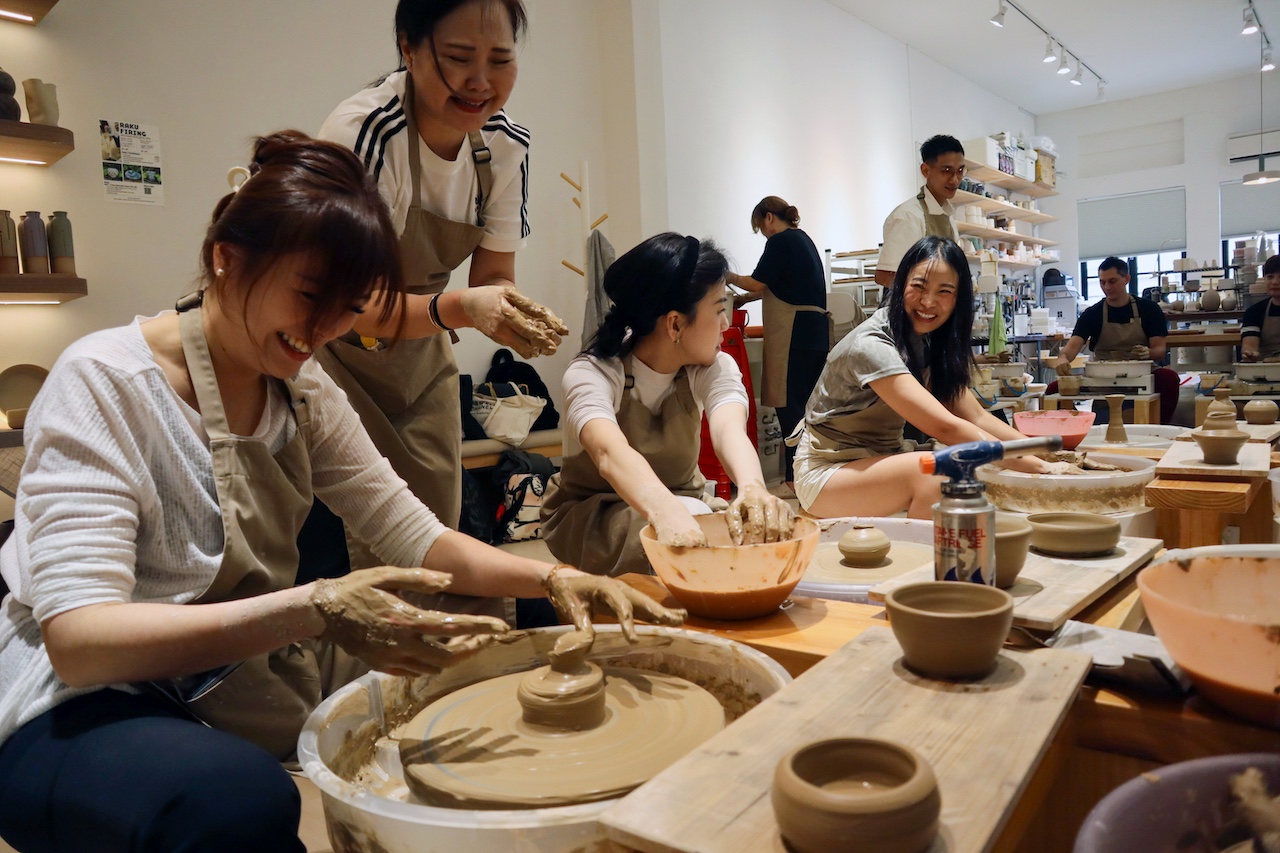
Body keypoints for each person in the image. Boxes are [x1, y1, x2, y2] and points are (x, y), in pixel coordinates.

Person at [0, 132, 681, 853]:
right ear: (224, 256)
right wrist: (314, 606)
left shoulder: (301, 384)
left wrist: (559, 574)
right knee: (237, 805)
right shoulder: (104, 383)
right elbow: (80, 643)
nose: (323, 330)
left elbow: (418, 537)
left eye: (350, 307)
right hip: (83, 700)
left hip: (234, 669)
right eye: (309, 295)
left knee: (530, 609)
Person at [313, 0, 566, 573]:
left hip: (420, 350)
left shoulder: (504, 146)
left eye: (500, 59)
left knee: (433, 531)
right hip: (334, 351)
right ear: (408, 47)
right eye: (458, 58)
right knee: (359, 546)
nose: (481, 82)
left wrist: (506, 309)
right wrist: (465, 307)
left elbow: (493, 277)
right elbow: (353, 304)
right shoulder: (365, 132)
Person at [541, 233, 796, 577]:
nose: (725, 324)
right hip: (595, 514)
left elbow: (728, 429)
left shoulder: (711, 366)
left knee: (741, 541)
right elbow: (608, 452)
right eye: (720, 309)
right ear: (675, 323)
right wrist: (664, 510)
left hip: (684, 502)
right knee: (683, 553)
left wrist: (752, 487)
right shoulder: (593, 373)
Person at [792, 236, 1068, 519]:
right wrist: (1038, 467)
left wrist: (1050, 456)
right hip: (828, 472)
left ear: (958, 299)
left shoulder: (928, 342)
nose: (928, 301)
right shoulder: (872, 345)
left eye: (944, 291)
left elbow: (976, 418)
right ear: (900, 285)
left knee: (984, 469)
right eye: (919, 286)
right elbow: (946, 428)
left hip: (880, 460)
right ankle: (926, 558)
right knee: (941, 470)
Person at [724, 196, 836, 487]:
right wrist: (745, 299)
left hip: (793, 333)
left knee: (790, 405)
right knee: (808, 404)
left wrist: (725, 275)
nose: (764, 233)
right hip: (814, 333)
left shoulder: (780, 241)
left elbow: (759, 282)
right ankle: (813, 472)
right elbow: (777, 287)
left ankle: (794, 476)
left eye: (761, 226)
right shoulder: (803, 240)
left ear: (769, 217)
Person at [1052, 256, 1179, 424]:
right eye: (1102, 282)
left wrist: (1147, 352)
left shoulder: (1149, 309)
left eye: (1112, 281)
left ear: (1127, 279)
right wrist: (1062, 358)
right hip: (1102, 376)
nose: (1107, 287)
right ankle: (1078, 428)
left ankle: (1158, 428)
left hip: (1139, 372)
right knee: (1053, 389)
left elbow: (1160, 350)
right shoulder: (1093, 313)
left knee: (1169, 378)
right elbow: (1072, 348)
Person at [874, 135, 964, 287]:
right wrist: (925, 293)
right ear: (925, 170)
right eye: (947, 171)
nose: (955, 180)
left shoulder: (947, 216)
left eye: (960, 171)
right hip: (909, 309)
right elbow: (885, 276)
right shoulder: (908, 216)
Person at [1241, 254, 1280, 361]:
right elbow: (1250, 344)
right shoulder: (1254, 312)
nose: (1275, 282)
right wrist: (1250, 353)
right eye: (1270, 277)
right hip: (1265, 371)